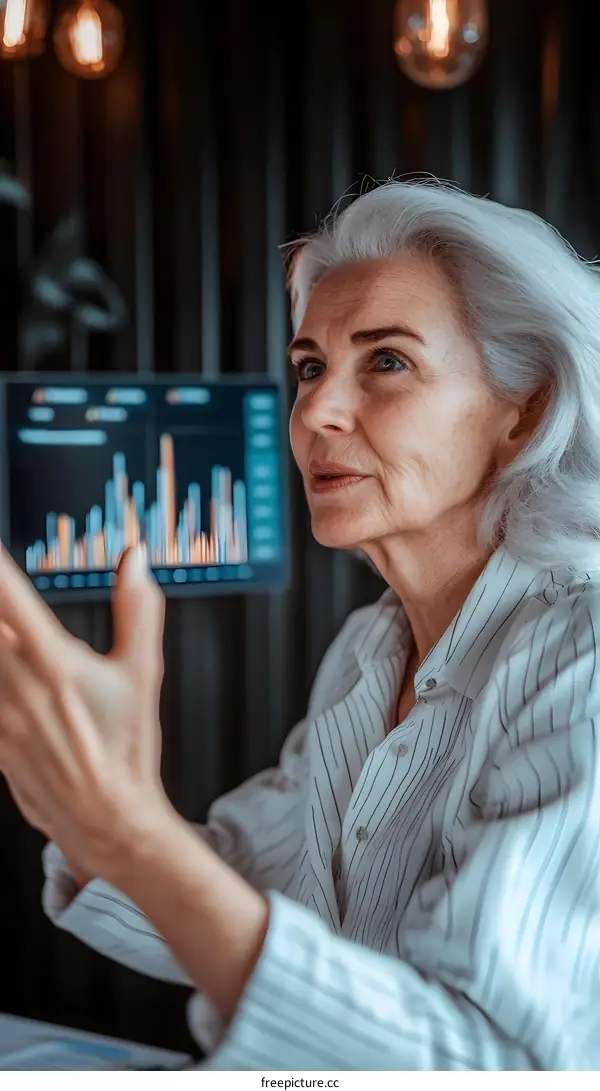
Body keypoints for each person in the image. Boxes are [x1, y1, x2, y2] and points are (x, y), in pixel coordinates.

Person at [2, 178, 600, 1072]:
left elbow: (496, 1069)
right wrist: (81, 798)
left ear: (527, 410)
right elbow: (241, 879)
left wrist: (127, 827)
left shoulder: (582, 655)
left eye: (386, 361)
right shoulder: (368, 651)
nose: (315, 410)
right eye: (312, 366)